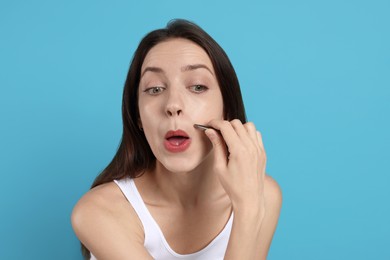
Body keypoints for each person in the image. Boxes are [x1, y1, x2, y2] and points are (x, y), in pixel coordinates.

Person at [71, 19, 282, 260]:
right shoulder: (97, 213)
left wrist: (249, 204)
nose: (173, 105)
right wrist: (250, 209)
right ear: (138, 116)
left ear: (227, 109)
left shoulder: (264, 194)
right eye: (155, 89)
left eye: (198, 86)